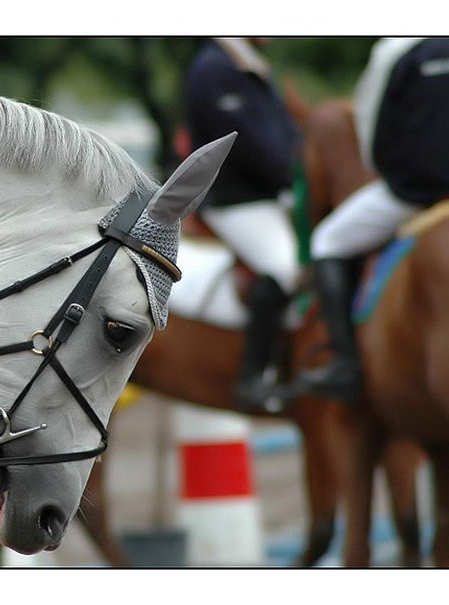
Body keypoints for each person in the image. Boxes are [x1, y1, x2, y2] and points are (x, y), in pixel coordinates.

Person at [295, 37, 449, 404]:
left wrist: (386, 172)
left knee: (326, 241)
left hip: (413, 194)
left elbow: (370, 122)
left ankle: (344, 364)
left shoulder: (395, 50)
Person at [185, 37, 301, 411]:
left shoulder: (248, 66)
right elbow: (248, 147)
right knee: (288, 269)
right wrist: (292, 177)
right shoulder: (213, 69)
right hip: (236, 200)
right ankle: (255, 377)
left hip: (270, 196)